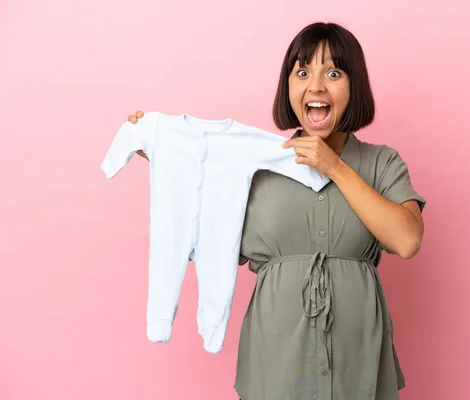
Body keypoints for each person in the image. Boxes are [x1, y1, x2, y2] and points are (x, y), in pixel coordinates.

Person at [127, 21, 426, 400]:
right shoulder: (254, 167)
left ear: (355, 87)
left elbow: (407, 239)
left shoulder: (381, 163)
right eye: (302, 72)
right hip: (276, 365)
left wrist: (334, 167)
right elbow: (204, 246)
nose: (316, 86)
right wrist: (168, 160)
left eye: (333, 73)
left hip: (359, 365)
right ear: (288, 88)